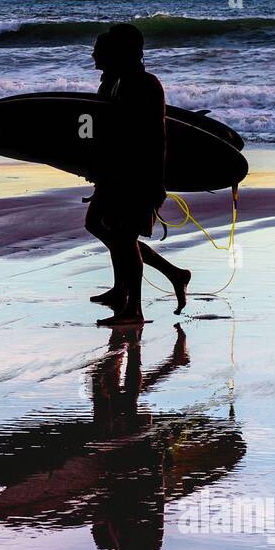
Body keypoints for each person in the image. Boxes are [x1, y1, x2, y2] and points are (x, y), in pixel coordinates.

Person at [84, 24, 190, 325]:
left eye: (101, 49)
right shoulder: (117, 82)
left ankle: (135, 309)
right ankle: (161, 278)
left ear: (120, 52)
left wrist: (156, 184)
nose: (94, 54)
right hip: (115, 173)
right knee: (102, 226)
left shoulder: (144, 85)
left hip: (137, 175)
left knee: (123, 236)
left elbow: (156, 139)